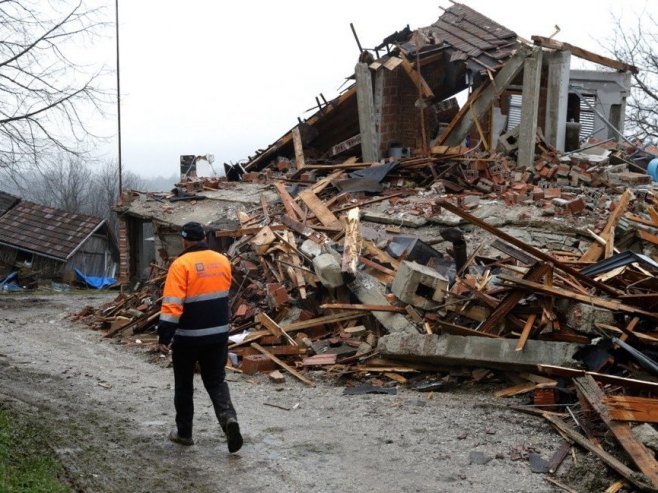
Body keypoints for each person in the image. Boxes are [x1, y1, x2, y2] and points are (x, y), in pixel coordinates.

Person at [158, 221, 243, 453]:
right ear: (204, 237)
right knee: (215, 380)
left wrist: (164, 337)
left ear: (184, 240)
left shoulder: (180, 264)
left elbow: (172, 306)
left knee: (184, 384)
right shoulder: (223, 261)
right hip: (218, 334)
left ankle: (184, 434)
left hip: (188, 338)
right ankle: (228, 419)